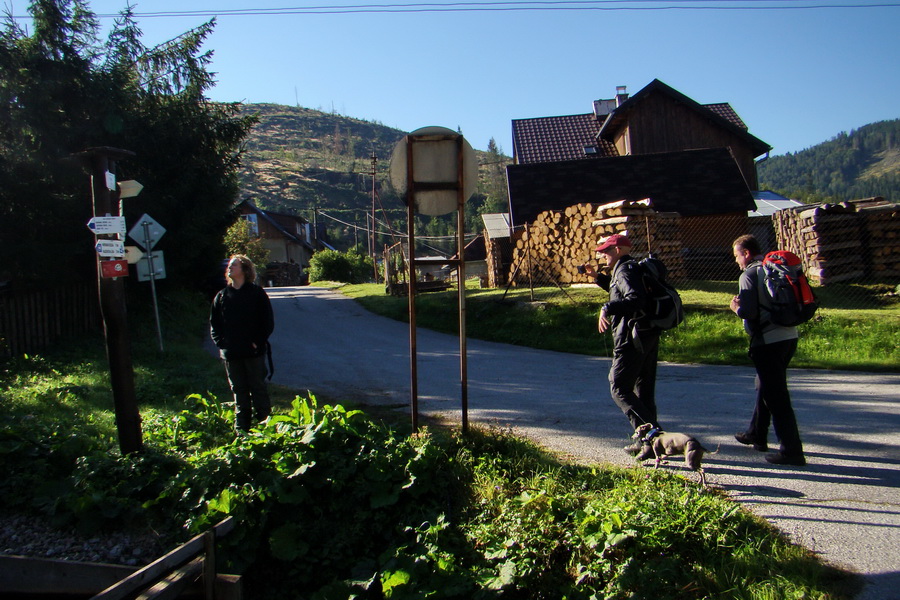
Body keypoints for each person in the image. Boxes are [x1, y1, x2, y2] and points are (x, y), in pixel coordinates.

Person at [730, 234, 806, 466]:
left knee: (777, 397)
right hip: (788, 336)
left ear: (746, 253)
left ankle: (792, 451)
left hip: (767, 341)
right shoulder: (775, 269)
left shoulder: (749, 274)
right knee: (766, 386)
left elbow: (750, 313)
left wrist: (736, 308)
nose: (736, 261)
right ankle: (757, 434)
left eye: (736, 256)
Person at [584, 234, 661, 454]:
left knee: (618, 387)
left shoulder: (625, 269)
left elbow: (635, 299)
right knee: (643, 391)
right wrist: (598, 277)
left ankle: (656, 435)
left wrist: (607, 308)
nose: (603, 254)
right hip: (647, 335)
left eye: (607, 251)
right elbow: (619, 290)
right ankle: (648, 443)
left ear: (618, 250)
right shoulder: (629, 268)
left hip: (632, 338)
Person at [210, 254, 275, 432]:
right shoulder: (222, 296)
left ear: (245, 270)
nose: (229, 269)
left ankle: (266, 428)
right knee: (239, 392)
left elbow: (267, 322)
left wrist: (257, 342)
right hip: (232, 354)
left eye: (234, 266)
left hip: (253, 352)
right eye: (229, 266)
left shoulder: (256, 294)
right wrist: (222, 344)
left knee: (258, 389)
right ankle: (242, 430)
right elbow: (215, 324)